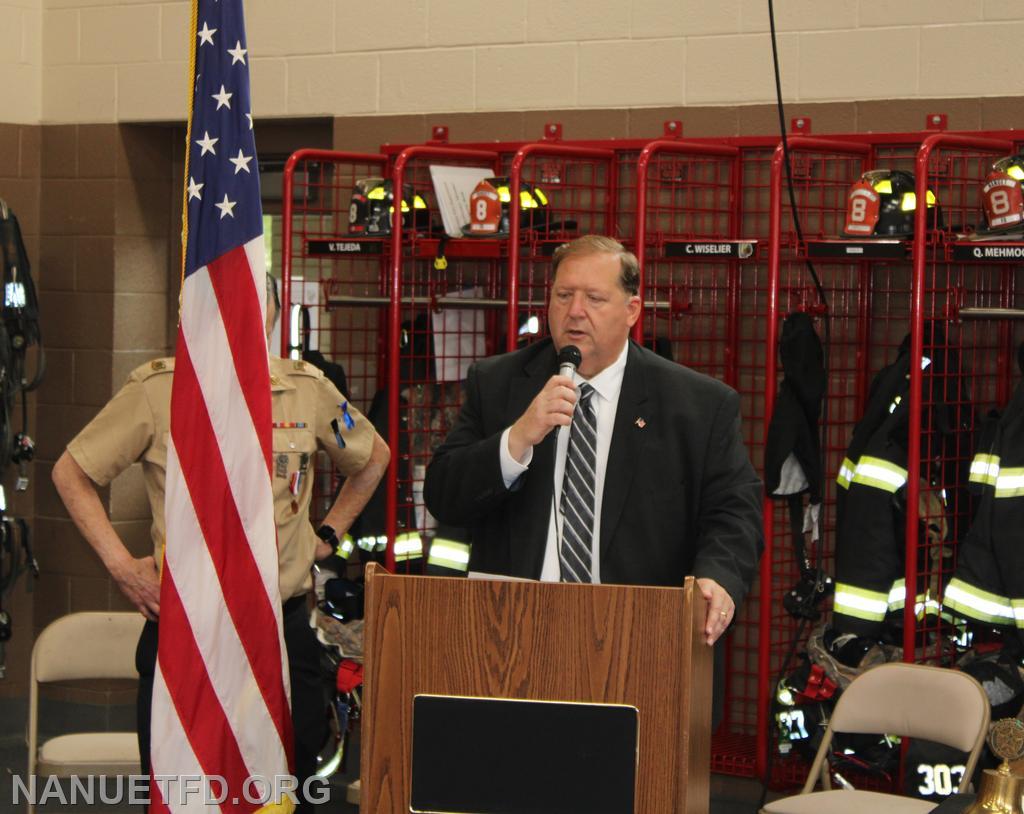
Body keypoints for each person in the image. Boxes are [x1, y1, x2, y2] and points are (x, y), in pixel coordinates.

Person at [51, 274, 389, 801]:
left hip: (281, 628)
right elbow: (72, 472)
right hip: (188, 633)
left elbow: (372, 460)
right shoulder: (158, 390)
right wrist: (121, 566)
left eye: (259, 305)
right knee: (183, 797)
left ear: (276, 315)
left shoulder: (307, 389)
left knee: (286, 794)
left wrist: (327, 533)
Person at [424, 235, 762, 654]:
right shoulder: (498, 384)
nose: (575, 312)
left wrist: (717, 578)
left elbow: (733, 512)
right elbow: (443, 495)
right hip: (511, 634)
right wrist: (517, 439)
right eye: (563, 295)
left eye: (595, 299)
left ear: (632, 310)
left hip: (637, 637)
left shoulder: (696, 405)